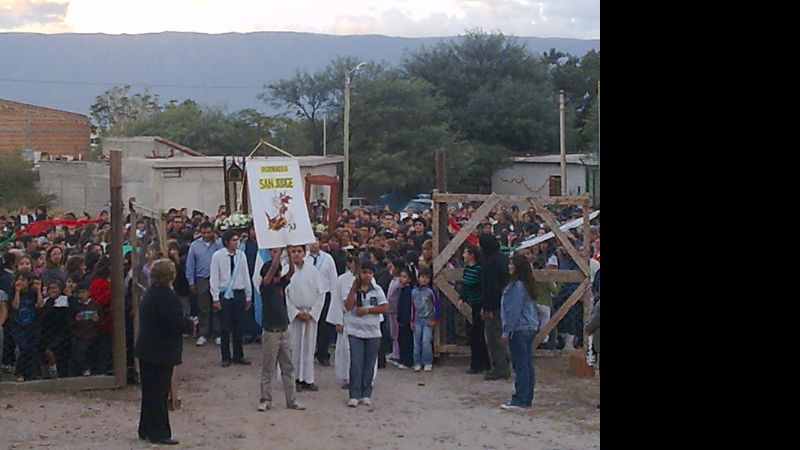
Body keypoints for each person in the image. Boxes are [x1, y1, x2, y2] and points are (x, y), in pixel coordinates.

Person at [135, 259, 195, 445]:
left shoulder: (149, 294)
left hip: (147, 349)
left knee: (149, 392)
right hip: (161, 351)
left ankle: (145, 428)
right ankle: (159, 432)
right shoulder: (168, 298)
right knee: (160, 392)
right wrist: (191, 324)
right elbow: (175, 323)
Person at [255, 246, 306, 412]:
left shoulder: (280, 284)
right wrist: (280, 253)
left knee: (288, 366)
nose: (277, 276)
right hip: (271, 330)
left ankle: (291, 400)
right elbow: (270, 273)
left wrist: (288, 254)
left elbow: (291, 271)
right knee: (268, 367)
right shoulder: (265, 286)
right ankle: (265, 399)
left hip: (283, 328)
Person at [343, 260, 388, 407]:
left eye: (370, 273)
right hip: (355, 330)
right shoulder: (353, 288)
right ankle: (354, 394)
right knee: (356, 362)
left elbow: (384, 307)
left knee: (369, 363)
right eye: (364, 272)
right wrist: (353, 289)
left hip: (373, 332)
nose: (367, 276)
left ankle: (366, 393)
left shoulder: (377, 290)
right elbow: (348, 305)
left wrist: (368, 310)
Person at [500, 255, 541, 411]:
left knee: (520, 365)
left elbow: (513, 310)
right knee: (527, 364)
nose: (509, 266)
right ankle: (527, 397)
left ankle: (520, 399)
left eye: (511, 263)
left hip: (519, 327)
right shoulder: (527, 284)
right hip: (529, 326)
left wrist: (506, 330)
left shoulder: (517, 286)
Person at [285, 245, 325, 391]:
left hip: (309, 314)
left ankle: (308, 379)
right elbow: (284, 295)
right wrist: (295, 313)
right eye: (293, 252)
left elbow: (321, 293)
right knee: (292, 347)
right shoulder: (286, 270)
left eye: (299, 251)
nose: (296, 254)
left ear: (304, 253)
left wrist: (312, 313)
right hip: (294, 316)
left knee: (308, 347)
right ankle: (293, 378)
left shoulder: (313, 271)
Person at [209, 230, 252, 367]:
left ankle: (238, 355)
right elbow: (214, 278)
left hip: (239, 293)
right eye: (234, 240)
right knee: (225, 326)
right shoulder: (218, 256)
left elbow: (246, 276)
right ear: (227, 242)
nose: (237, 242)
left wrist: (248, 295)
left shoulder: (241, 256)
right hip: (224, 294)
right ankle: (225, 356)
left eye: (237, 240)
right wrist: (215, 298)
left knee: (239, 326)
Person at [186, 222, 223, 347]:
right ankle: (203, 334)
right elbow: (190, 265)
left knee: (217, 306)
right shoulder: (195, 246)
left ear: (213, 231)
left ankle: (218, 334)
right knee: (203, 307)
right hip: (202, 278)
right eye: (204, 233)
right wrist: (191, 282)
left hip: (217, 278)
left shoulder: (219, 244)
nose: (206, 235)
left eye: (208, 232)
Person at [479, 233, 511, 381]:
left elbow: (490, 287)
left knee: (494, 337)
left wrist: (487, 308)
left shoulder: (490, 262)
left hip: (495, 305)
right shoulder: (503, 259)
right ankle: (504, 364)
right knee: (502, 336)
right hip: (505, 302)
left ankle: (500, 368)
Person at [306, 239, 339, 368]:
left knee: (324, 326)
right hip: (309, 295)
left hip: (324, 294)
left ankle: (323, 354)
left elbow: (333, 278)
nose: (313, 244)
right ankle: (308, 353)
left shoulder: (327, 258)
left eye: (316, 241)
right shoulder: (304, 257)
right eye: (311, 242)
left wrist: (334, 296)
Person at [460, 244, 490, 374]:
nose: (463, 255)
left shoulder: (479, 269)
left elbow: (483, 288)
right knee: (473, 334)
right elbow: (465, 286)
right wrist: (462, 298)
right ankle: (481, 362)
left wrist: (484, 305)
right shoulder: (467, 268)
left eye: (465, 253)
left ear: (471, 255)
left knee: (477, 334)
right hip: (471, 304)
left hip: (479, 304)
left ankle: (479, 364)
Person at [411, 267, 440, 372]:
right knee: (417, 342)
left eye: (426, 278)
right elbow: (412, 307)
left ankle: (427, 362)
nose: (424, 279)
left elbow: (436, 305)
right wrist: (411, 320)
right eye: (422, 277)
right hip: (417, 320)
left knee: (426, 341)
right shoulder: (413, 292)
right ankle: (417, 362)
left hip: (428, 319)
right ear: (418, 278)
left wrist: (435, 319)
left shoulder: (430, 292)